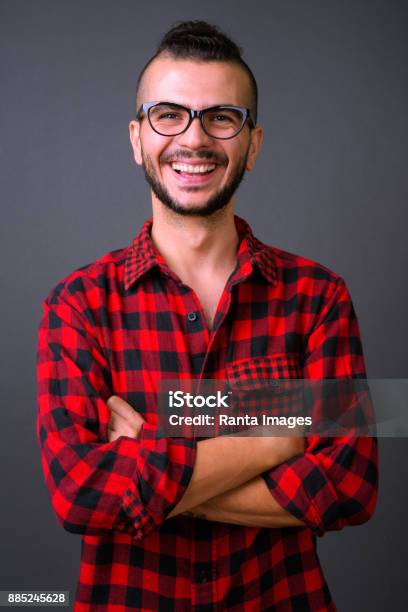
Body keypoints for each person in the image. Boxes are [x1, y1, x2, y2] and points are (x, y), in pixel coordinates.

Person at [36, 20, 378, 611]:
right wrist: (275, 442)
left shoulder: (320, 296)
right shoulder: (76, 303)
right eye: (169, 114)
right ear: (137, 137)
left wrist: (146, 449)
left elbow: (351, 486)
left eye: (223, 117)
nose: (194, 139)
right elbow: (80, 494)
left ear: (254, 143)